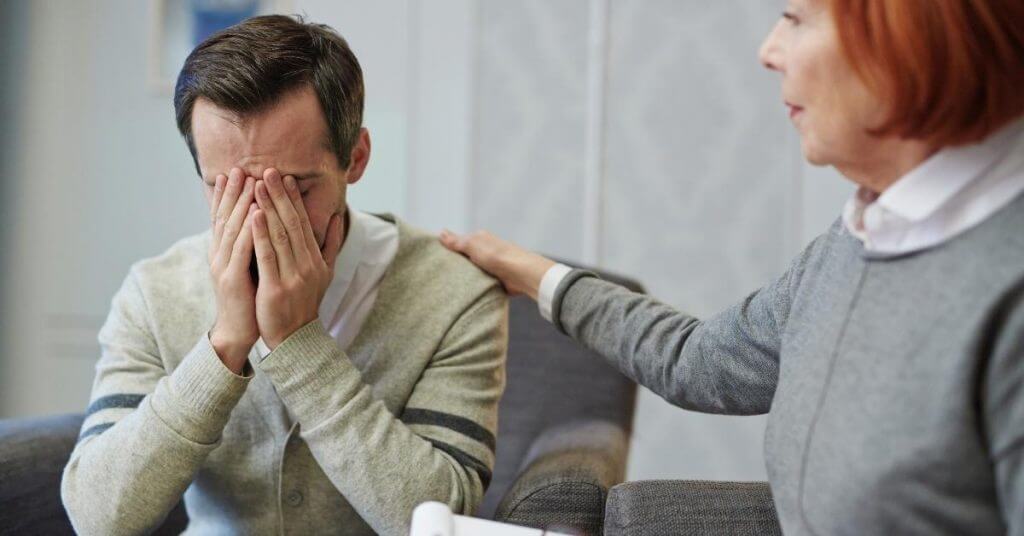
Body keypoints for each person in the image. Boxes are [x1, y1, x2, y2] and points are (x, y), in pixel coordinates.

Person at [441, 0, 1024, 533]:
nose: (769, 51)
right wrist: (535, 274)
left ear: (909, 33)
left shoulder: (1004, 285)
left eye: (795, 18)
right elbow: (699, 361)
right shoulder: (856, 239)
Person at [61, 15, 507, 536]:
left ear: (356, 158)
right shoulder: (155, 291)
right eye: (226, 189)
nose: (260, 221)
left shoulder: (456, 294)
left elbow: (436, 519)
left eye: (292, 188)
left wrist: (298, 344)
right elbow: (97, 518)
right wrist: (224, 345)